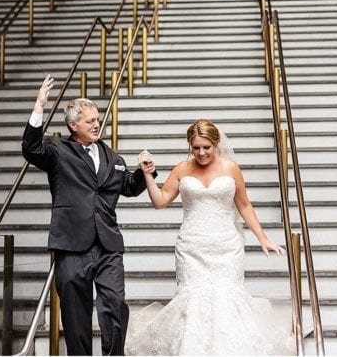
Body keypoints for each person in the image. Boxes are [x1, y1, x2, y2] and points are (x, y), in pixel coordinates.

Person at [125, 119, 293, 356]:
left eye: (206, 147)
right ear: (190, 146)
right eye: (196, 148)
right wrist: (147, 173)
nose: (201, 153)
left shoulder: (231, 168)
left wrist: (263, 238)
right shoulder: (182, 169)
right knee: (193, 300)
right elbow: (160, 201)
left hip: (226, 246)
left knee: (227, 299)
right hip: (191, 246)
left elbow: (244, 205)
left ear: (216, 144)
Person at [21, 75, 156, 356]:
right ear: (73, 125)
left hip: (108, 245)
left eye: (97, 119)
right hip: (71, 245)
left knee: (115, 305)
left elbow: (129, 188)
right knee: (75, 317)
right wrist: (39, 105)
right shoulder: (58, 151)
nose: (96, 124)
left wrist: (146, 172)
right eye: (89, 121)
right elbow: (31, 149)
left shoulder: (113, 158)